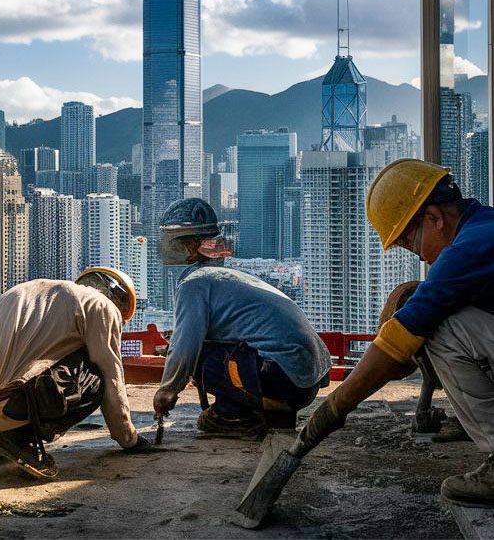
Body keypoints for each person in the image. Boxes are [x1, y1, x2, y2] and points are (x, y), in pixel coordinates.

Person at [293, 159, 494, 506]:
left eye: (413, 245)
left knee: (439, 326)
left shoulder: (470, 246)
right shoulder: (484, 227)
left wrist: (335, 407)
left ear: (434, 218)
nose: (425, 259)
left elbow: (403, 335)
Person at [152, 198, 331, 439]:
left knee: (207, 361)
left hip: (285, 382)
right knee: (210, 351)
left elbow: (186, 348)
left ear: (189, 246)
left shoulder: (194, 284)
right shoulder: (227, 277)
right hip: (307, 380)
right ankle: (255, 408)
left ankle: (234, 417)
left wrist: (167, 391)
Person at [0, 267, 151, 479]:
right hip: (5, 409)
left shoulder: (35, 291)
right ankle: (17, 438)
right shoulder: (101, 305)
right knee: (94, 380)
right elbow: (112, 378)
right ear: (117, 297)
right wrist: (128, 438)